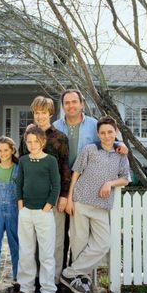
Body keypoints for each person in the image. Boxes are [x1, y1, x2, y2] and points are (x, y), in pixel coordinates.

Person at [53, 89, 128, 269]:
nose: (71, 106)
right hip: (61, 184)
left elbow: (108, 139)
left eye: (74, 102)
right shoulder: (55, 126)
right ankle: (59, 276)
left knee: (81, 237)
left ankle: (76, 273)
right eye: (67, 103)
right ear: (63, 106)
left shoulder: (94, 125)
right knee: (59, 235)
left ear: (82, 104)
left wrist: (120, 143)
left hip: (85, 187)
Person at [60, 116, 131, 293]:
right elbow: (76, 173)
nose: (106, 136)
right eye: (103, 133)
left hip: (101, 206)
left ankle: (68, 273)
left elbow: (125, 178)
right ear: (98, 134)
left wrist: (110, 183)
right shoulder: (90, 149)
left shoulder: (121, 154)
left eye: (110, 132)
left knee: (103, 243)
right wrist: (70, 199)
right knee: (79, 242)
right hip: (81, 201)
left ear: (116, 132)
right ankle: (81, 283)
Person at [18, 96, 70, 284]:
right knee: (32, 242)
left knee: (55, 241)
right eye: (37, 113)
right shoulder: (27, 136)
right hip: (31, 199)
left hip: (53, 198)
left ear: (50, 114)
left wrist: (64, 195)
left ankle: (53, 281)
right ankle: (35, 279)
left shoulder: (60, 138)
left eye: (43, 112)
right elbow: (21, 163)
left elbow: (65, 168)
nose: (40, 116)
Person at [11, 126, 61, 293]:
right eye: (29, 142)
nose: (32, 145)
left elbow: (56, 185)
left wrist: (48, 205)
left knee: (46, 253)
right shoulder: (24, 160)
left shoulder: (50, 161)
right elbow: (19, 183)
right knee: (26, 251)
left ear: (43, 142)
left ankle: (47, 290)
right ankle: (26, 287)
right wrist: (20, 204)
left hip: (44, 212)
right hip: (25, 211)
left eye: (35, 141)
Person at [0, 136, 19, 288]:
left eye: (6, 150)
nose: (3, 153)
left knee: (15, 243)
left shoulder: (18, 168)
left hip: (14, 211)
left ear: (12, 150)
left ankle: (18, 275)